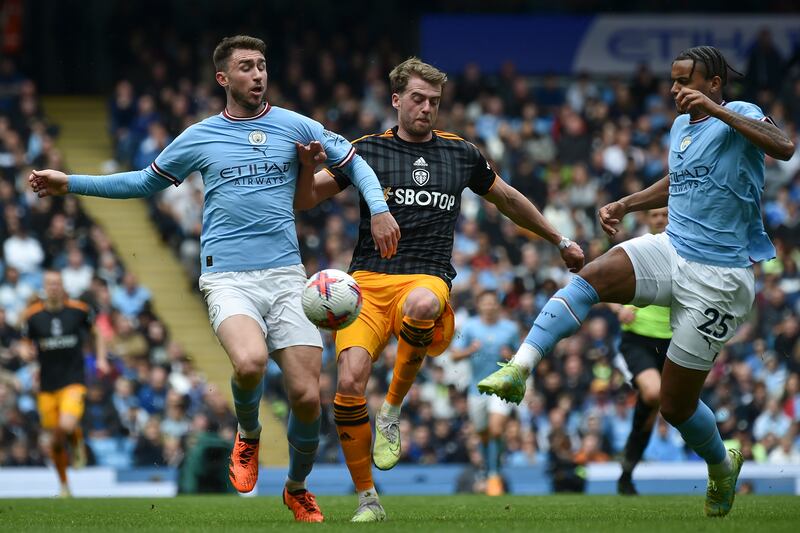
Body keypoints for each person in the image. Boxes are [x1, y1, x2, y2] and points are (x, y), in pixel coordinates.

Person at [28, 35, 400, 522]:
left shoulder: (296, 125)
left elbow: (357, 165)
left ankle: (295, 486)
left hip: (288, 276)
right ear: (224, 78)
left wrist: (379, 210)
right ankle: (248, 433)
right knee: (248, 363)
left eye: (263, 65)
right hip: (227, 275)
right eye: (246, 67)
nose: (258, 74)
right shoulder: (199, 136)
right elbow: (143, 181)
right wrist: (70, 182)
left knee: (308, 398)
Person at [478, 45, 795, 517]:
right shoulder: (679, 128)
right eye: (672, 80)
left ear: (713, 84)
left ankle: (721, 465)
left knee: (674, 406)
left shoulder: (738, 113)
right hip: (673, 246)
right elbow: (678, 179)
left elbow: (784, 147)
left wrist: (715, 111)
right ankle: (519, 368)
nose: (675, 89)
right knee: (590, 279)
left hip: (721, 277)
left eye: (686, 80)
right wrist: (627, 204)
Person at [294, 57, 584, 521]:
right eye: (417, 99)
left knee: (425, 301)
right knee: (347, 383)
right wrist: (307, 170)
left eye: (434, 101)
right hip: (365, 282)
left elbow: (506, 198)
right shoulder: (364, 150)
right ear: (396, 100)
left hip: (426, 275)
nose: (427, 108)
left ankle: (391, 410)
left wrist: (558, 239)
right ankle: (368, 498)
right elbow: (308, 198)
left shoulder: (460, 153)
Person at [22, 270, 109, 497]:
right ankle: (64, 485)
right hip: (47, 386)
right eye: (49, 284)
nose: (53, 287)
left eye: (57, 283)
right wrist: (26, 354)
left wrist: (100, 359)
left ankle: (76, 437)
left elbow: (97, 333)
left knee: (67, 425)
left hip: (73, 380)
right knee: (55, 438)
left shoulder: (78, 311)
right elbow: (25, 343)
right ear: (44, 287)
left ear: (62, 286)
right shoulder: (32, 316)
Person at [608, 207, 671, 495]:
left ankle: (627, 469)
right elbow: (600, 283)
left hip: (676, 342)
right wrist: (619, 308)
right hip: (638, 339)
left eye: (665, 215)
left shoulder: (687, 249)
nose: (660, 220)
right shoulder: (636, 249)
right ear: (647, 219)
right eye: (655, 215)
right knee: (653, 394)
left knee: (655, 410)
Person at [450, 290, 520, 496]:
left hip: (500, 388)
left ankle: (494, 475)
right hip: (476, 390)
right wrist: (470, 351)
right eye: (485, 303)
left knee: (497, 430)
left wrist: (511, 357)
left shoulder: (510, 328)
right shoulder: (470, 327)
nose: (489, 306)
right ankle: (487, 470)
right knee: (483, 435)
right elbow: (454, 355)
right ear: (479, 305)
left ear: (497, 305)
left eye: (492, 303)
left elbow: (521, 358)